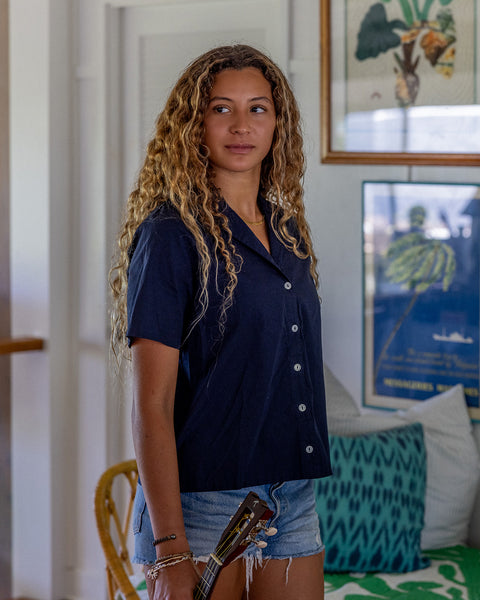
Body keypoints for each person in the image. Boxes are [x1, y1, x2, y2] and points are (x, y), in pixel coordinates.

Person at [110, 44, 332, 600]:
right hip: (202, 503)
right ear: (193, 123)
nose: (241, 125)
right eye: (220, 108)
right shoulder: (169, 235)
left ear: (278, 123)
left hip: (293, 493)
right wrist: (171, 548)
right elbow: (151, 406)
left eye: (257, 108)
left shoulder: (287, 230)